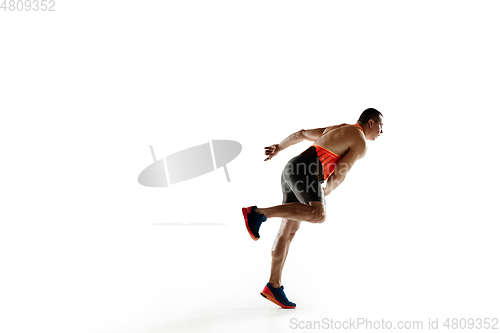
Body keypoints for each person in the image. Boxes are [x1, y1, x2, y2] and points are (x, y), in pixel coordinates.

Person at [242, 108, 384, 309]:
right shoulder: (359, 140)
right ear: (371, 123)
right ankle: (258, 213)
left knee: (288, 231)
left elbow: (301, 134)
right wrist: (326, 191)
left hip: (291, 169)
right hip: (306, 172)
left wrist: (279, 148)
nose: (381, 132)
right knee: (318, 214)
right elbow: (340, 173)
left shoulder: (339, 128)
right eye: (381, 126)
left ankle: (273, 285)